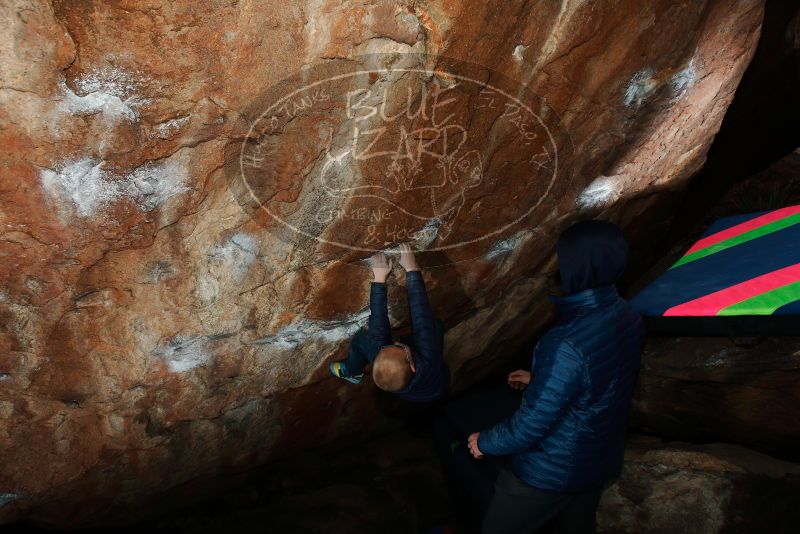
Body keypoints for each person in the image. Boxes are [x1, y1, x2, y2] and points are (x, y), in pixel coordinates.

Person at [438, 220, 644, 533]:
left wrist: (486, 441)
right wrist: (543, 380)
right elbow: (604, 380)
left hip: (552, 470)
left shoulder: (564, 342)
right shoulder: (629, 315)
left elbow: (530, 425)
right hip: (600, 456)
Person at [330, 243, 450, 402]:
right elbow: (422, 319)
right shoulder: (428, 356)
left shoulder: (411, 360)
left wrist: (379, 279)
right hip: (436, 385)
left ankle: (353, 371)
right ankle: (355, 370)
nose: (395, 341)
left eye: (390, 346)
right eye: (396, 347)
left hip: (421, 391)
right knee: (433, 327)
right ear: (412, 364)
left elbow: (379, 326)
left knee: (362, 340)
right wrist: (412, 270)